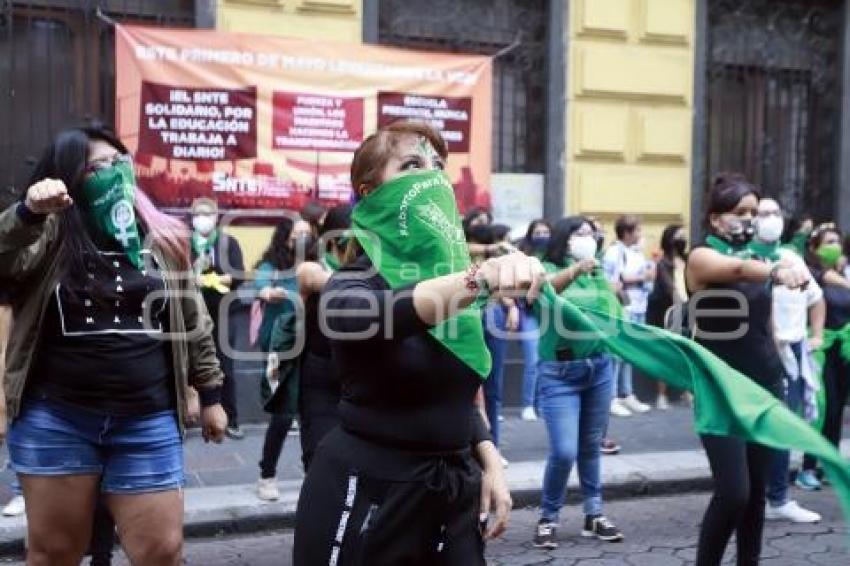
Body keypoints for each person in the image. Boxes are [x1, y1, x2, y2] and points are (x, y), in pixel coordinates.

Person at [293, 121, 535, 564]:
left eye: (438, 166)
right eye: (412, 165)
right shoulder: (354, 282)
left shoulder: (454, 287)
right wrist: (478, 280)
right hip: (369, 493)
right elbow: (375, 315)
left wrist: (489, 458)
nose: (432, 177)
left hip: (452, 492)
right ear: (369, 191)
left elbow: (456, 382)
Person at [0, 125, 227, 565]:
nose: (112, 172)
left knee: (162, 551)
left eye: (119, 162)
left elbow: (193, 320)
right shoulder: (46, 234)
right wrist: (27, 213)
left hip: (148, 419)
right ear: (68, 179)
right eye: (95, 167)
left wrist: (211, 392)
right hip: (58, 419)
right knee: (54, 553)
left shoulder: (162, 238)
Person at [686, 173, 808, 566]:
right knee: (733, 491)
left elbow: (764, 323)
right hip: (721, 390)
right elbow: (736, 272)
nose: (751, 219)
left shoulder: (756, 258)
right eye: (742, 212)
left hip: (764, 385)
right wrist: (775, 270)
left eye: (755, 212)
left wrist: (783, 372)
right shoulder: (702, 257)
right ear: (716, 218)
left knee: (755, 494)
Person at [531, 216, 624, 550]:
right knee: (564, 450)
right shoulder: (544, 266)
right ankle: (548, 517)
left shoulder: (597, 272)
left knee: (590, 445)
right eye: (579, 233)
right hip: (559, 373)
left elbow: (612, 314)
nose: (588, 239)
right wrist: (574, 271)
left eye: (591, 234)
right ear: (564, 238)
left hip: (599, 368)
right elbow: (540, 295)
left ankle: (593, 515)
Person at [748, 198, 824, 523]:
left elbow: (816, 299)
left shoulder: (792, 257)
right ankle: (750, 495)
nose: (770, 219)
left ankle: (778, 498)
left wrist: (816, 334)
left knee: (783, 424)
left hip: (792, 351)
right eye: (763, 214)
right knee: (753, 426)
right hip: (756, 351)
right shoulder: (743, 260)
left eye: (776, 213)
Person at [253, 217, 312, 500]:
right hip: (278, 349)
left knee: (310, 411)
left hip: (309, 346)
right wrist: (271, 293)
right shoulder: (272, 266)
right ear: (284, 237)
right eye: (296, 234)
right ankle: (267, 475)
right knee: (283, 412)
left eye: (306, 234)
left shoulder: (316, 265)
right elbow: (261, 286)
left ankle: (312, 471)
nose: (301, 239)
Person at [294, 204, 351, 475]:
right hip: (319, 370)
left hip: (357, 374)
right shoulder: (312, 268)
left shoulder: (369, 272)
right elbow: (315, 279)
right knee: (318, 455)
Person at [797, 223, 850, 491]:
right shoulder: (814, 276)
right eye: (828, 242)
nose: (835, 246)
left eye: (837, 241)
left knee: (837, 409)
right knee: (821, 408)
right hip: (821, 350)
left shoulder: (842, 274)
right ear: (815, 248)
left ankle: (829, 463)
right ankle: (807, 467)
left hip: (844, 349)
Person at [190, 197, 245, 440]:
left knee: (225, 364)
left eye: (206, 214)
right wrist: (195, 274)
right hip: (192, 312)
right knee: (190, 363)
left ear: (215, 216)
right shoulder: (185, 243)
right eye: (197, 214)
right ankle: (194, 417)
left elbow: (237, 275)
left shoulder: (227, 242)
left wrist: (214, 279)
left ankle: (231, 418)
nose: (202, 219)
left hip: (224, 311)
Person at [602, 215, 653, 417]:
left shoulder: (636, 253)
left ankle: (627, 393)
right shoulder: (614, 253)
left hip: (638, 306)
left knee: (629, 354)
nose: (641, 235)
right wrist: (641, 277)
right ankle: (612, 397)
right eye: (637, 230)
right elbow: (612, 281)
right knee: (616, 354)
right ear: (627, 232)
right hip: (622, 308)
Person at [646, 224, 690, 410]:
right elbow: (669, 287)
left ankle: (686, 391)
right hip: (665, 312)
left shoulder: (687, 260)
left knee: (686, 351)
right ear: (670, 239)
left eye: (684, 236)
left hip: (686, 310)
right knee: (664, 352)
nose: (683, 239)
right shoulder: (663, 263)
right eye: (679, 236)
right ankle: (661, 395)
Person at [516, 219, 551, 420]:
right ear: (531, 235)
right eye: (538, 232)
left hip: (550, 315)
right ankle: (528, 405)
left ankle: (542, 404)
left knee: (547, 362)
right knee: (533, 362)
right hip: (530, 313)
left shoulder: (554, 256)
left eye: (546, 231)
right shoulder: (524, 257)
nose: (542, 236)